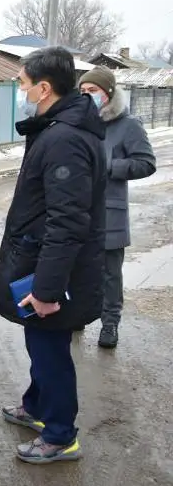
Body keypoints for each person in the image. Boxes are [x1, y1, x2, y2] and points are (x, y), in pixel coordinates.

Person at [0, 47, 106, 464]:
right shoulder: (58, 129)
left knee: (50, 351)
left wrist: (46, 289)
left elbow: (67, 222)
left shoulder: (64, 139)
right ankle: (37, 407)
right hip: (43, 262)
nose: (19, 91)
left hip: (53, 272)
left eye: (22, 84)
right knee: (40, 345)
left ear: (43, 88)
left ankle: (60, 435)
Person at [78, 67, 156, 348]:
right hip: (78, 211)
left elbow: (146, 163)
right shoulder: (79, 122)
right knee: (75, 268)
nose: (87, 96)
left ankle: (110, 323)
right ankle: (76, 316)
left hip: (110, 212)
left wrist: (110, 166)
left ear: (108, 93)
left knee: (109, 274)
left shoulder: (128, 125)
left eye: (93, 91)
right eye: (83, 91)